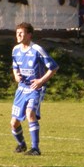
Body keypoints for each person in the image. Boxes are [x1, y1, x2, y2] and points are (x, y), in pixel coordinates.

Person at [10, 22, 58, 156]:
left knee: (30, 113)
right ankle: (21, 144)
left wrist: (41, 81)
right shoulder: (15, 50)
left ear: (29, 35)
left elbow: (54, 67)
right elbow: (15, 66)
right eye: (17, 33)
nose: (18, 35)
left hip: (35, 89)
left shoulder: (37, 49)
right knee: (14, 123)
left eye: (21, 33)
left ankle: (35, 148)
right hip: (21, 89)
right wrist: (16, 75)